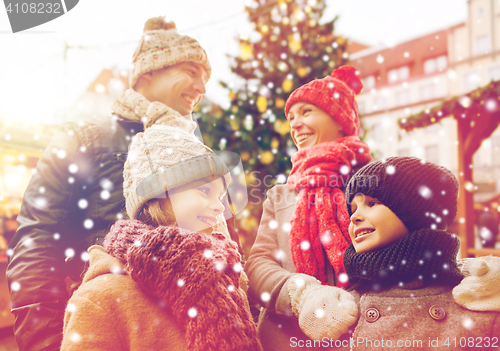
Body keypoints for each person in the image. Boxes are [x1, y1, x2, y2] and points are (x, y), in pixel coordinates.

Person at [7, 17, 240, 351]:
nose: (202, 88)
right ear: (149, 71)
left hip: (194, 333)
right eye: (191, 72)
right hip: (108, 329)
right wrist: (47, 342)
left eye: (206, 79)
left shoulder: (196, 152)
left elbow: (220, 242)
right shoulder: (83, 137)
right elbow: (37, 242)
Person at [61, 123, 261, 350]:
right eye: (204, 191)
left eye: (220, 197)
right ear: (157, 196)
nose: (219, 208)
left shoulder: (226, 277)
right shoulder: (100, 299)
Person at [245, 66, 373, 350]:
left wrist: (350, 302)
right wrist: (301, 294)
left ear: (341, 120)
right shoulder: (280, 195)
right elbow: (258, 266)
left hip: (364, 334)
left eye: (306, 112)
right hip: (287, 339)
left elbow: (399, 252)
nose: (295, 124)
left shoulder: (375, 185)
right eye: (291, 118)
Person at [331, 156, 500, 350]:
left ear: (416, 213)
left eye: (372, 204)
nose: (354, 217)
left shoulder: (477, 304)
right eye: (352, 208)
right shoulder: (342, 310)